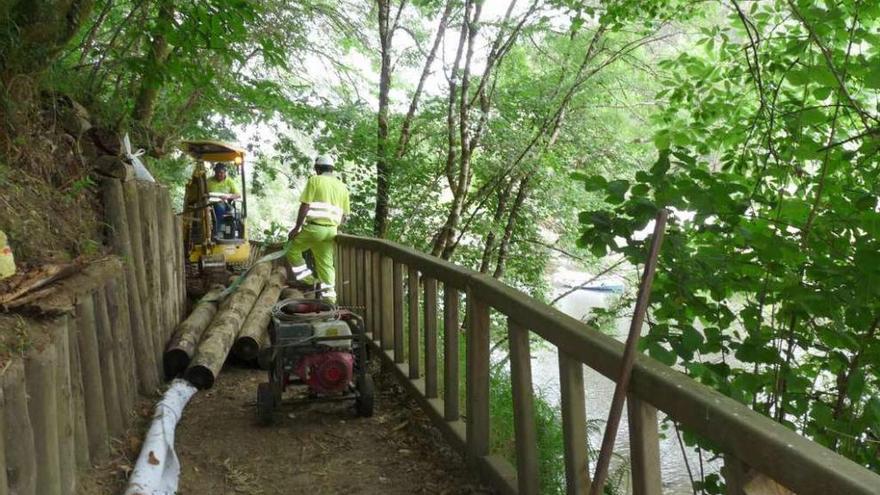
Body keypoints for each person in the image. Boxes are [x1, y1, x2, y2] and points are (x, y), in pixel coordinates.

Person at [285, 155, 350, 302]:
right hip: (331, 231)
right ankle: (330, 300)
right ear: (332, 169)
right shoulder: (342, 187)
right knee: (326, 265)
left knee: (292, 250)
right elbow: (345, 215)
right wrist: (336, 226)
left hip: (314, 229)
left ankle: (309, 281)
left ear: (317, 169)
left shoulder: (315, 180)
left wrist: (296, 228)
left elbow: (305, 205)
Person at [206, 163, 240, 238]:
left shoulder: (229, 182)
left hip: (225, 203)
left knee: (235, 212)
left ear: (225, 172)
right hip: (210, 203)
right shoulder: (209, 181)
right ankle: (214, 232)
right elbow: (203, 193)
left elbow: (238, 194)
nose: (219, 174)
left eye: (221, 172)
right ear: (215, 172)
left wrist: (228, 197)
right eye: (217, 172)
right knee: (216, 207)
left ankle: (220, 232)